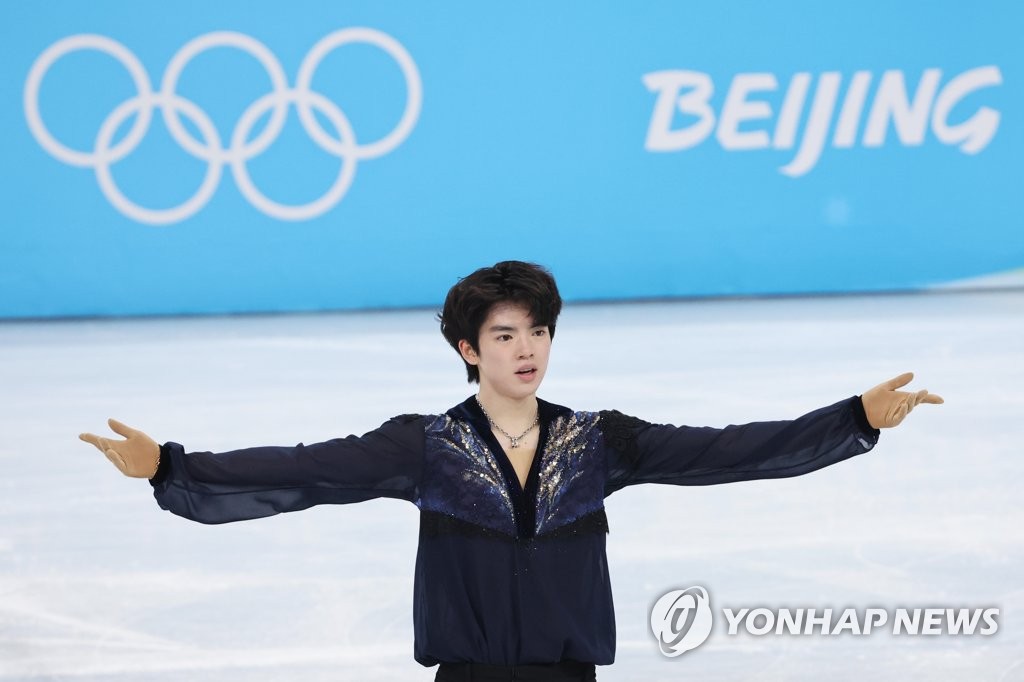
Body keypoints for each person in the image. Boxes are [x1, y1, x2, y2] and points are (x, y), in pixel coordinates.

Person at [79, 260, 943, 681]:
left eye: (538, 332)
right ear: (467, 348)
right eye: (504, 335)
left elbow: (725, 452)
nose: (527, 350)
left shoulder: (600, 440)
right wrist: (171, 467)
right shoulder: (428, 445)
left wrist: (853, 420)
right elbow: (307, 471)